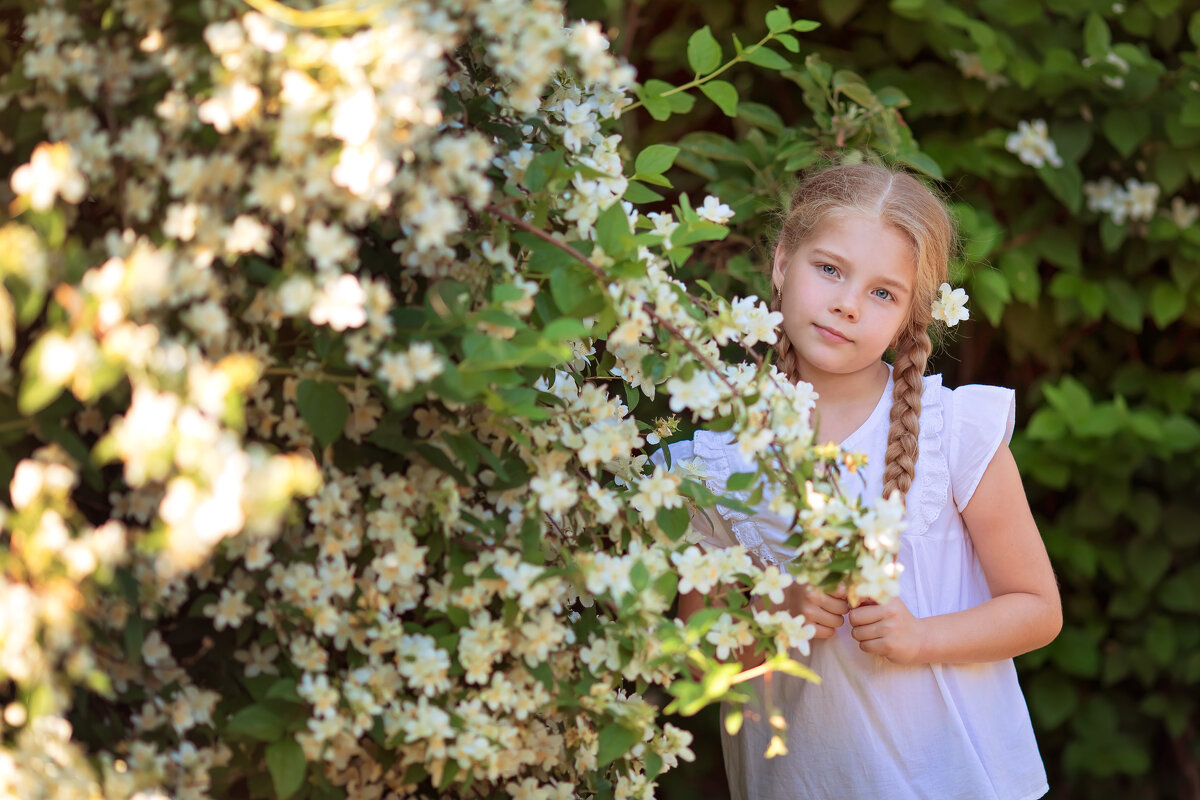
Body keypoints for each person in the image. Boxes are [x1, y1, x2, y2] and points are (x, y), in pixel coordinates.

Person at [657, 162, 1062, 800]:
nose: (847, 303)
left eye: (883, 293)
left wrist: (923, 637)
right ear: (782, 261)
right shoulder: (715, 467)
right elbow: (690, 663)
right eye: (829, 269)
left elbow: (1038, 610)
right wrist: (771, 619)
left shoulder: (953, 434)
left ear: (909, 316)